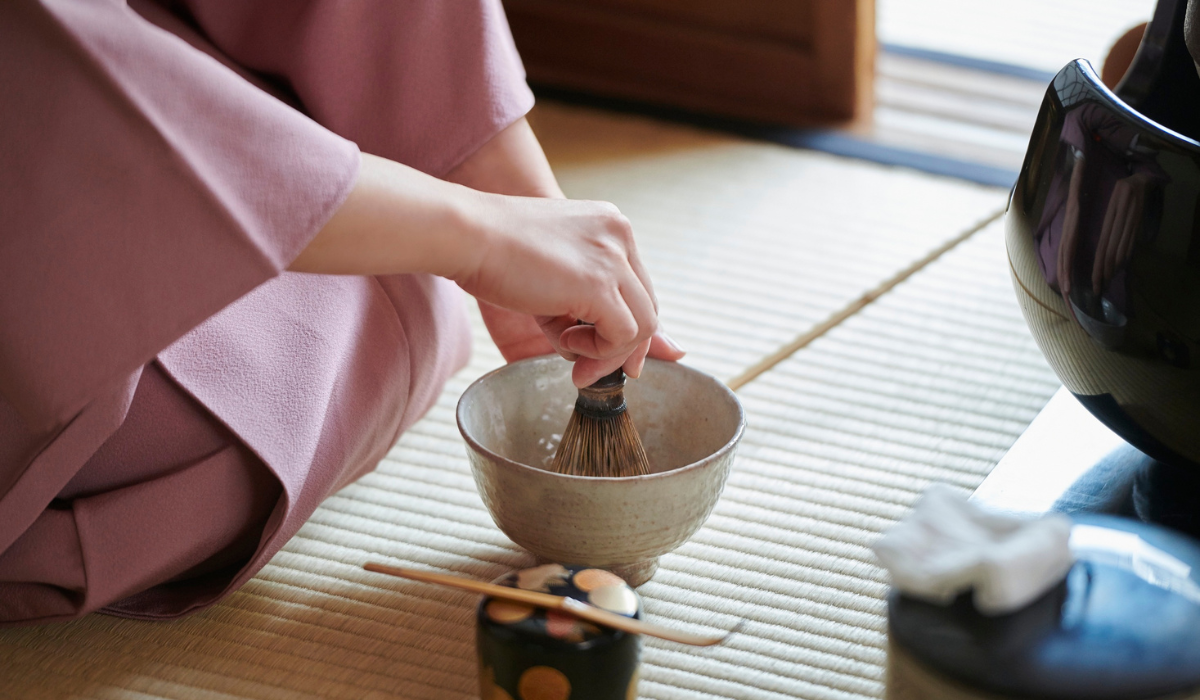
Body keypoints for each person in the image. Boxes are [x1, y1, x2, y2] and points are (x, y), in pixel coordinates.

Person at [0, 0, 684, 625]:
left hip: (168, 64)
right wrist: (477, 234)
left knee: (385, 272)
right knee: (231, 422)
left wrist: (508, 189)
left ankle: (409, 188)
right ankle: (371, 201)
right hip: (54, 164)